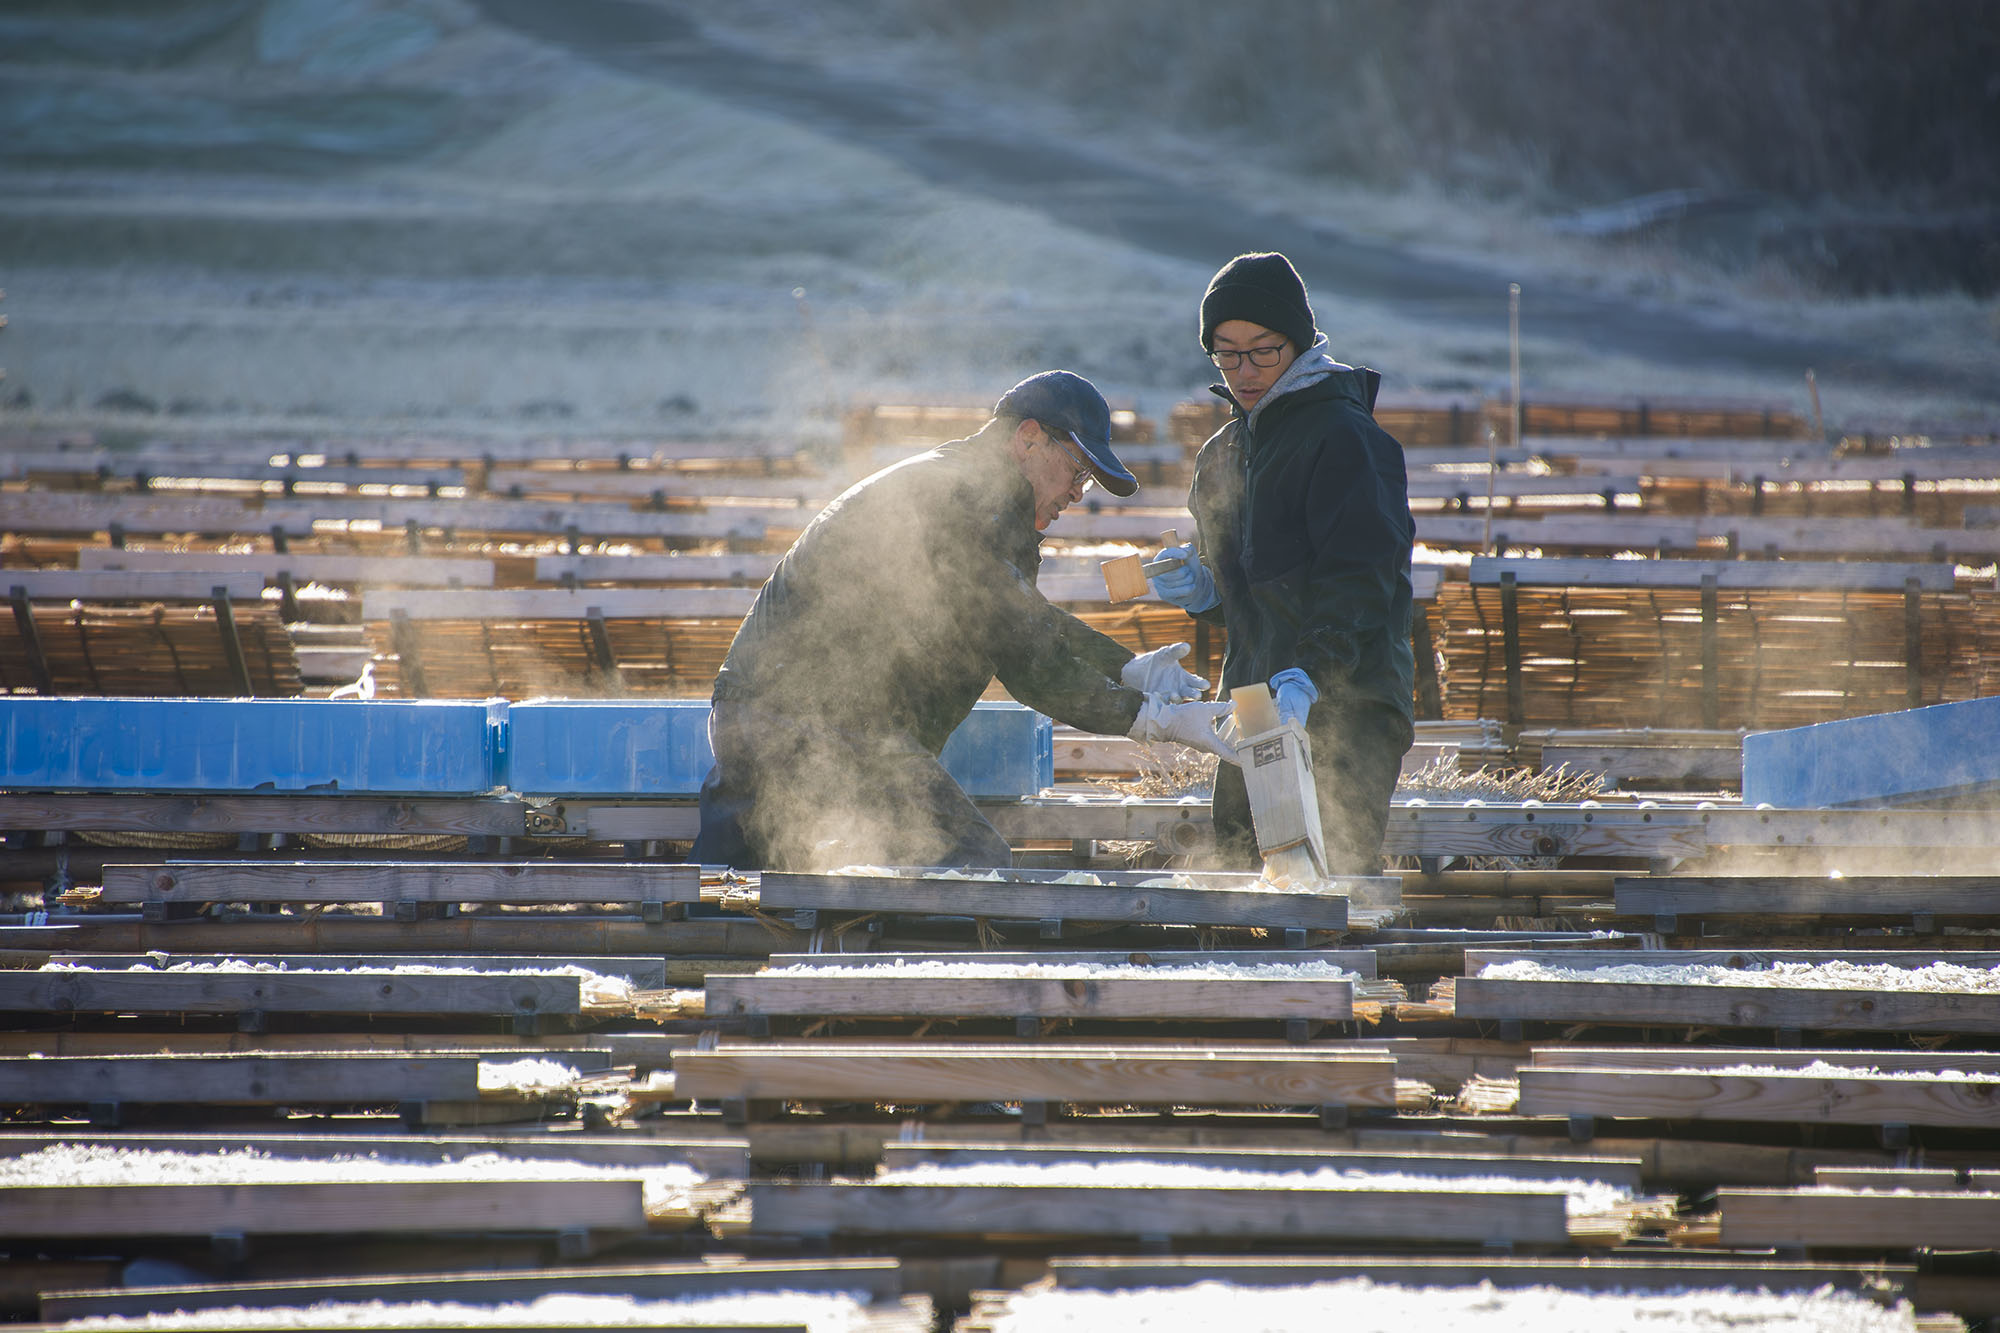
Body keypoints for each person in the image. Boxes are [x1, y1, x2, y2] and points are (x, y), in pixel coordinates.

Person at [692, 370, 1239, 871]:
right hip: (806, 727)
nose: (1077, 493)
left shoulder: (971, 490)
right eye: (1077, 470)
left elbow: (1022, 617)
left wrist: (1126, 669)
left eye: (1087, 482)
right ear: (1028, 439)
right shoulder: (969, 501)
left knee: (746, 892)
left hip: (788, 722)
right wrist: (1148, 719)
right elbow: (1026, 658)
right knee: (971, 866)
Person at [1150, 252, 1416, 876]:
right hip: (1255, 706)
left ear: (1298, 343)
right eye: (1226, 352)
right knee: (1247, 876)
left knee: (1329, 882)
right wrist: (1202, 592)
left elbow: (1361, 581)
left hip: (1346, 703)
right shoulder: (1223, 454)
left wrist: (1310, 676)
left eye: (1262, 350)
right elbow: (1247, 602)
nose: (1244, 370)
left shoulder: (1344, 438)